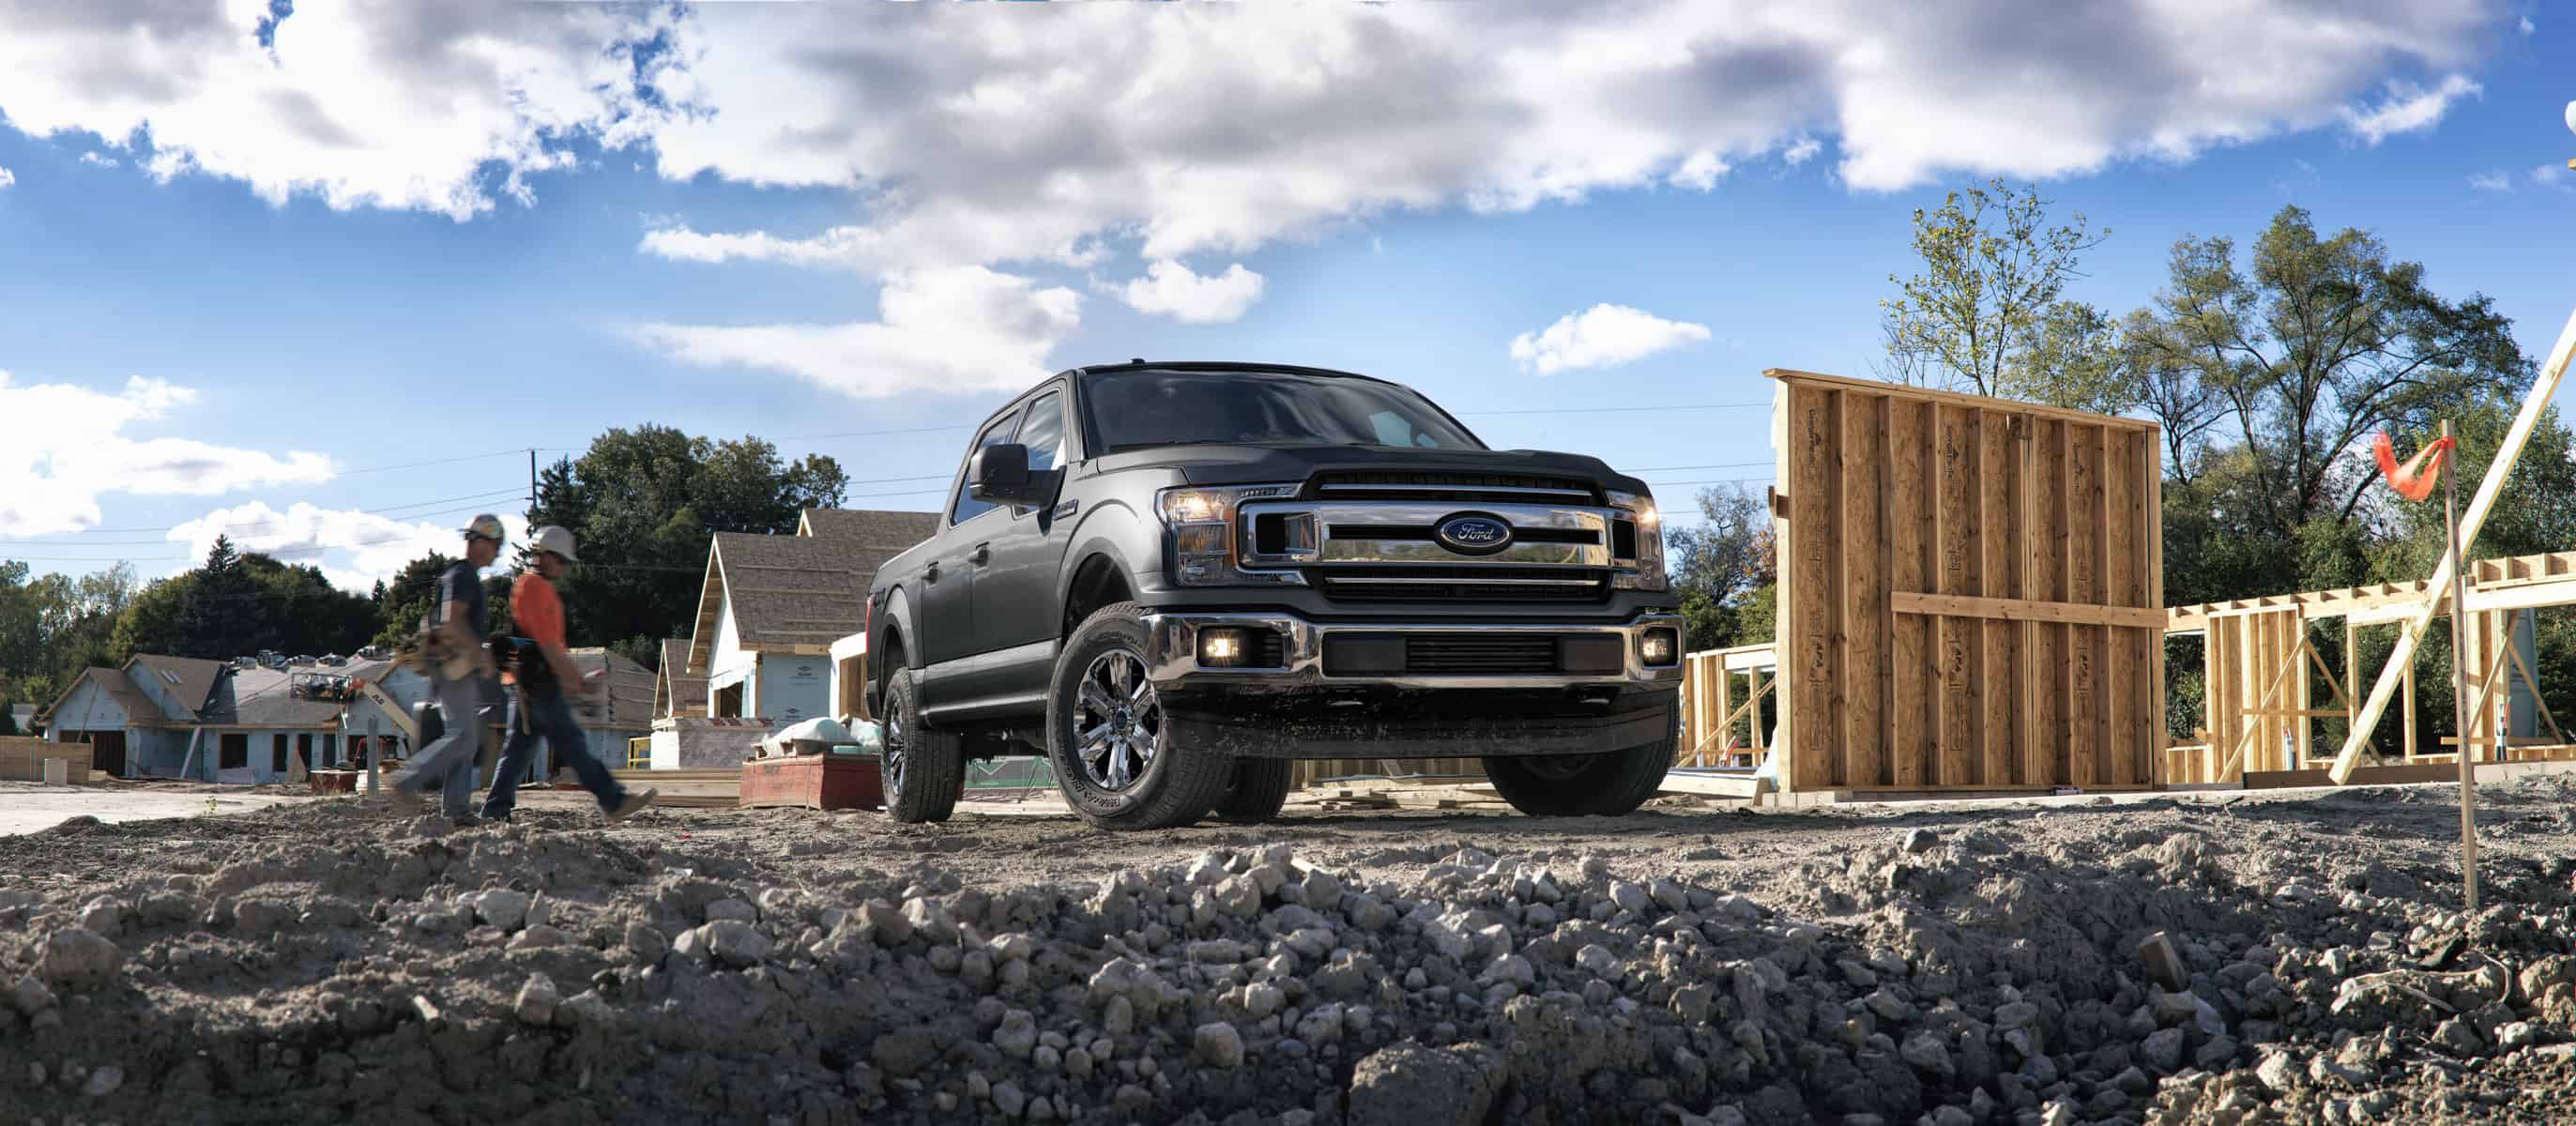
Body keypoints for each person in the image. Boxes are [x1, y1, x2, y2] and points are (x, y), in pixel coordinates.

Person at [480, 525, 657, 823]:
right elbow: (547, 645)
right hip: (537, 685)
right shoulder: (534, 588)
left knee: (518, 752)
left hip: (530, 683)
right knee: (573, 745)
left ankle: (494, 812)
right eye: (560, 560)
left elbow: (547, 646)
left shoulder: (536, 587)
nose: (563, 567)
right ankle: (613, 801)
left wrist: (574, 679)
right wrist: (574, 680)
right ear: (543, 556)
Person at [387, 514, 505, 818]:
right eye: (494, 545)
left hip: (450, 664)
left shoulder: (460, 575)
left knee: (463, 738)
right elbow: (451, 619)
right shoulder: (463, 575)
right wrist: (480, 654)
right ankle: (407, 780)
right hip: (455, 666)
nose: (495, 552)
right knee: (464, 736)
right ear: (480, 542)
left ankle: (455, 809)